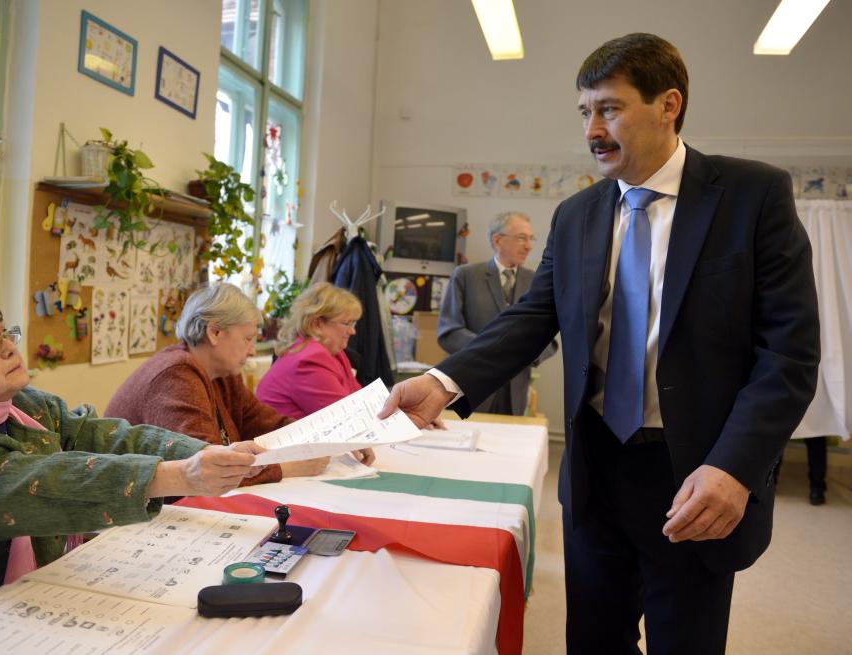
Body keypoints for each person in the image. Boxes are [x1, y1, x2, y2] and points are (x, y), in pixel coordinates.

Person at [379, 33, 819, 654]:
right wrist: (444, 380)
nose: (592, 128)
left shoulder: (751, 197)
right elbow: (534, 316)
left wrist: (734, 468)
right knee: (594, 642)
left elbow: (789, 356)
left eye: (609, 107)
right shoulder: (578, 213)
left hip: (698, 473)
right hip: (597, 470)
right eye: (584, 111)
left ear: (669, 105)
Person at [0, 289, 263, 634]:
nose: (7, 348)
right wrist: (179, 475)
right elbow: (35, 483)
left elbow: (107, 437)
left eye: (4, 333)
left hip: (26, 602)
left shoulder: (24, 405)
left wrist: (202, 455)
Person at [106, 282, 330, 480]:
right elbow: (207, 471)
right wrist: (287, 467)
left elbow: (265, 422)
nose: (252, 350)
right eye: (248, 339)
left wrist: (326, 437)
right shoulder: (176, 375)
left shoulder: (223, 372)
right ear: (214, 332)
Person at [438, 211, 557, 415]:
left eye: (531, 238)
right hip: (472, 387)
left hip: (515, 394)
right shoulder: (466, 276)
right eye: (521, 237)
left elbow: (550, 339)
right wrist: (493, 351)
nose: (528, 246)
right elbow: (449, 332)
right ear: (497, 240)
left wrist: (523, 353)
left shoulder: (537, 280)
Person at [255, 284, 376, 465]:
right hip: (281, 459)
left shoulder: (333, 352)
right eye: (346, 323)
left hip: (305, 454)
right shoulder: (310, 358)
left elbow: (361, 400)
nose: (353, 331)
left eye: (354, 323)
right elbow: (348, 418)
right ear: (317, 323)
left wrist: (402, 410)